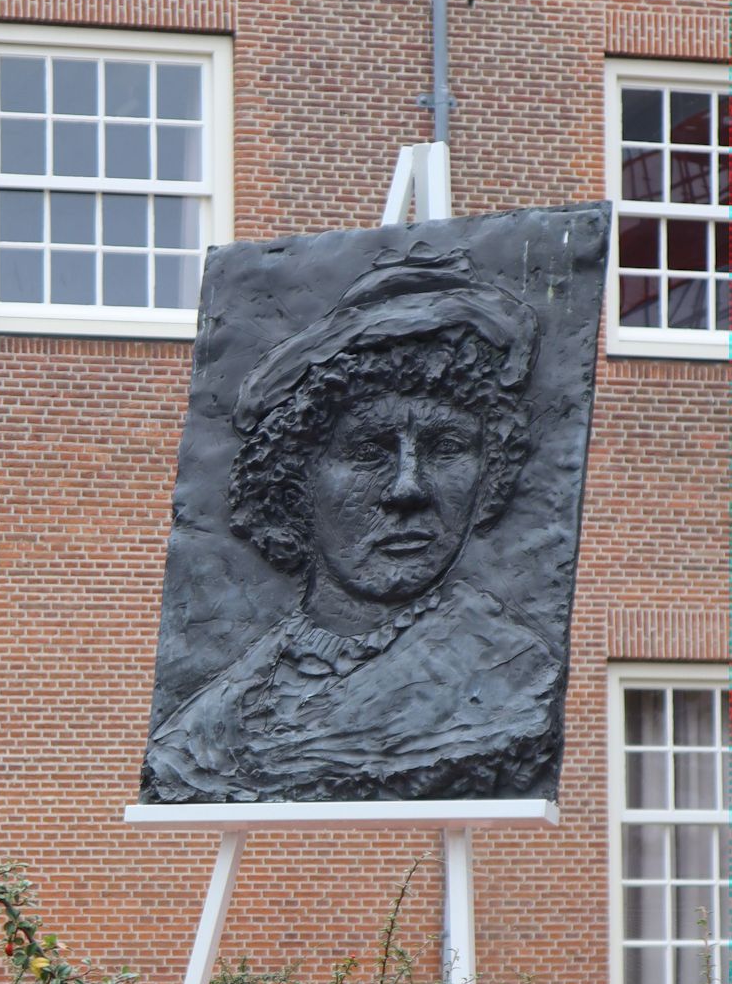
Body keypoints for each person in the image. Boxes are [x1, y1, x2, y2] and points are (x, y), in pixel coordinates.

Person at [143, 244, 562, 803]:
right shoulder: (207, 718)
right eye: (369, 452)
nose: (408, 489)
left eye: (447, 448)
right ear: (291, 480)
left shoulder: (512, 678)